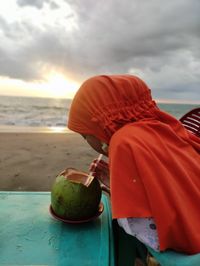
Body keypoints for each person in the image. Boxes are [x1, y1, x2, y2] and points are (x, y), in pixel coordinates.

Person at [67, 75, 200, 258]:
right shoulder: (166, 128)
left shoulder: (124, 142)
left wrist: (117, 192)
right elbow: (168, 186)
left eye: (85, 135)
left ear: (99, 124)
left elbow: (140, 229)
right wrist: (120, 179)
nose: (87, 142)